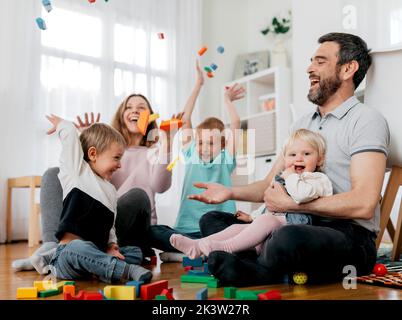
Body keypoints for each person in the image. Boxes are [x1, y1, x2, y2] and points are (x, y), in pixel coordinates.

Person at [190, 32, 390, 286]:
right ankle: (267, 261)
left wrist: (293, 206)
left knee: (289, 238)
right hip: (291, 221)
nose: (309, 68)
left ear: (348, 69)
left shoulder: (365, 120)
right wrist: (229, 192)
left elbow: (363, 203)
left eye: (320, 62)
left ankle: (256, 269)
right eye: (311, 62)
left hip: (347, 235)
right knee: (212, 220)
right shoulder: (302, 124)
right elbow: (268, 185)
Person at [13, 94, 174, 272]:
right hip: (96, 223)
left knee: (138, 195)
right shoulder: (107, 150)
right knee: (53, 174)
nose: (134, 110)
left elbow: (160, 185)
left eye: (141, 107)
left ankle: (90, 255)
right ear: (121, 115)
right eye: (129, 106)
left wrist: (167, 143)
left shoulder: (155, 152)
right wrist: (86, 139)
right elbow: (82, 178)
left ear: (150, 116)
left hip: (123, 222)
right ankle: (52, 247)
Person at [170, 129, 333, 259]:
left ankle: (224, 248)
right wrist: (252, 217)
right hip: (272, 225)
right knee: (237, 226)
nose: (299, 158)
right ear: (284, 159)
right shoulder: (283, 178)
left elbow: (302, 195)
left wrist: (290, 177)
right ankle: (198, 245)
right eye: (292, 155)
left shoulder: (318, 179)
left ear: (319, 159)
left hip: (294, 230)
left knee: (266, 220)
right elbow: (269, 205)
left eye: (306, 154)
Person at [149, 60, 245, 261]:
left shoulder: (226, 159)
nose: (204, 148)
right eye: (200, 142)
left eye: (211, 143)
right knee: (152, 231)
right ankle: (198, 251)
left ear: (224, 143)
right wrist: (198, 85)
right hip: (188, 231)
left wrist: (227, 100)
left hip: (217, 230)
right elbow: (185, 118)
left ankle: (191, 253)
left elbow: (235, 123)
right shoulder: (191, 153)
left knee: (238, 235)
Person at [41, 115, 152, 283]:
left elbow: (111, 226)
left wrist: (111, 246)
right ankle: (124, 270)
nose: (120, 165)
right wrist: (63, 125)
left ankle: (101, 268)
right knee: (78, 247)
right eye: (116, 158)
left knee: (135, 251)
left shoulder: (110, 190)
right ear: (93, 154)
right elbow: (70, 136)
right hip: (67, 256)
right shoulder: (76, 173)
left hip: (96, 252)